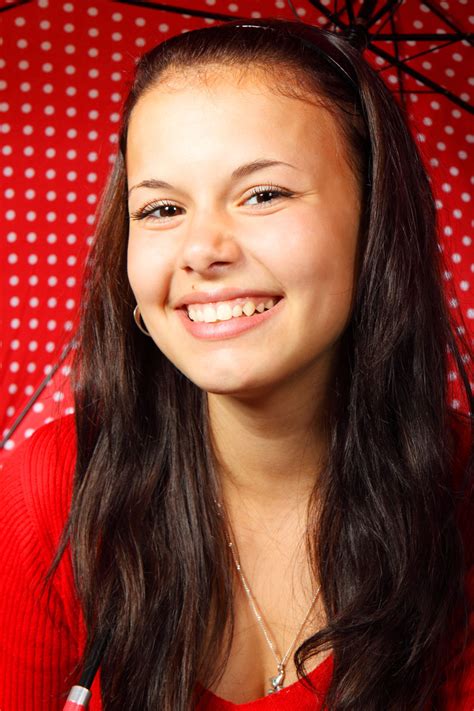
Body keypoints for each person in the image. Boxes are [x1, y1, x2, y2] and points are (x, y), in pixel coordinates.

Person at [0, 17, 472, 711]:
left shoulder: (458, 503)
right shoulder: (53, 492)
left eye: (264, 194)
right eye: (161, 207)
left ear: (375, 219)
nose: (201, 250)